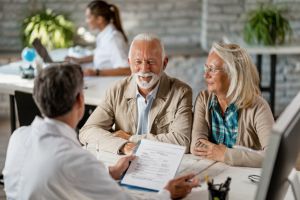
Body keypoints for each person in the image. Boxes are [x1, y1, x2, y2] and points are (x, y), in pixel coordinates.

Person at [2, 63, 199, 199]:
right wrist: (167, 193)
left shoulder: (19, 137)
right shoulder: (75, 159)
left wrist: (110, 172)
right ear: (80, 100)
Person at [79, 33, 193, 155]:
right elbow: (87, 131)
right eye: (138, 62)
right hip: (123, 161)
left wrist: (130, 139)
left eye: (151, 62)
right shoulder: (116, 90)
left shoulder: (181, 92)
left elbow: (182, 142)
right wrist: (123, 146)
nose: (144, 69)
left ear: (164, 63)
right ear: (129, 63)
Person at [191, 42, 274, 167]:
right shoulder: (203, 99)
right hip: (213, 174)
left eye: (212, 69)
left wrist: (225, 155)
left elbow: (273, 156)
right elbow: (197, 146)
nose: (205, 75)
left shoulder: (259, 107)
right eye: (206, 68)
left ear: (233, 74)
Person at [65, 0, 130, 76]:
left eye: (88, 17)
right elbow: (100, 55)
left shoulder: (113, 39)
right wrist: (79, 60)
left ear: (99, 19)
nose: (87, 21)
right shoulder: (104, 34)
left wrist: (96, 72)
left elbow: (126, 70)